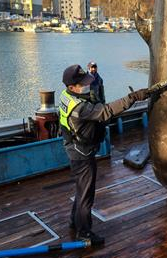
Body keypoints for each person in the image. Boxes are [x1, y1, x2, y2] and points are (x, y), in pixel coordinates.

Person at [59, 64, 148, 245]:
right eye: (82, 83)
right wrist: (132, 98)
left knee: (81, 189)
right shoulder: (80, 108)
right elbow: (106, 112)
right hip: (81, 154)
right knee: (86, 194)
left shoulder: (66, 96)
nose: (86, 85)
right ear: (71, 87)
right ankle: (84, 232)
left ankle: (73, 221)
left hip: (73, 148)